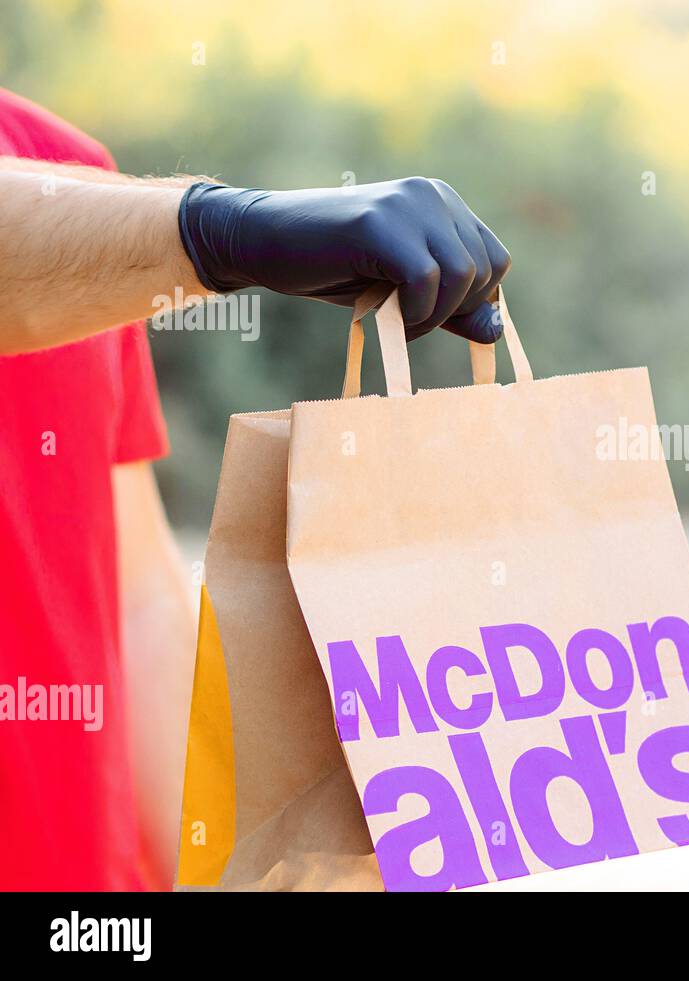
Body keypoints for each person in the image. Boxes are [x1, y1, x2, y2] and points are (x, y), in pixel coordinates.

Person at [0, 86, 511, 889]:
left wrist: (246, 873)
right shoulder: (97, 210)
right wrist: (218, 231)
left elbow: (132, 609)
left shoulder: (62, 161)